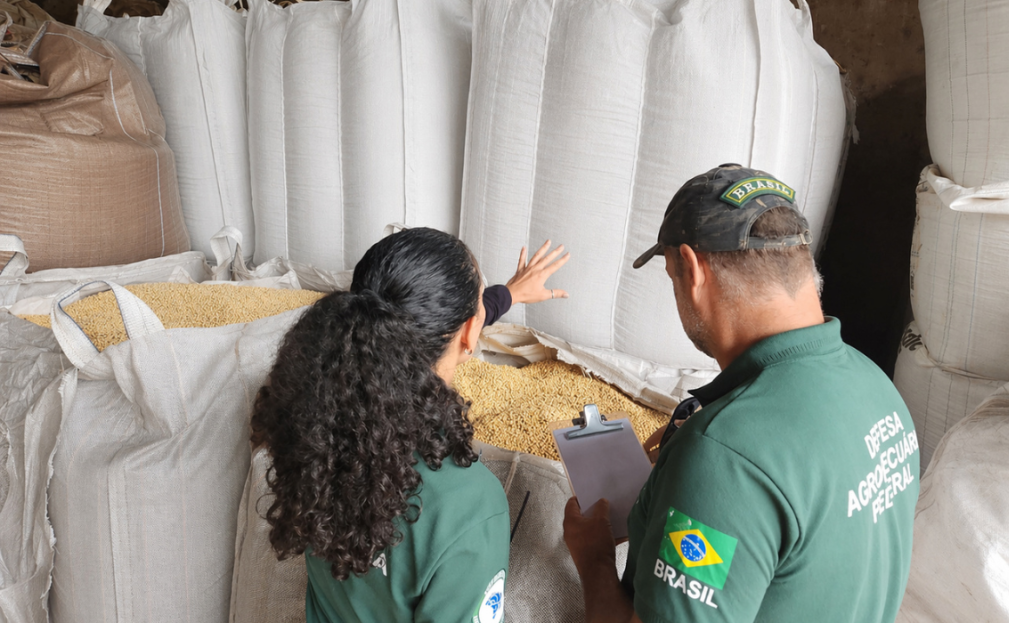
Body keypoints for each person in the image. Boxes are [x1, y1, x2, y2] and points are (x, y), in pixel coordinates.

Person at [563, 164, 920, 623]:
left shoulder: (723, 456)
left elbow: (743, 475)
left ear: (692, 270)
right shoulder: (878, 387)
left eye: (671, 276)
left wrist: (593, 558)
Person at [251, 228, 569, 623]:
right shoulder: (470, 505)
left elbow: (403, 324)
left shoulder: (310, 422)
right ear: (470, 333)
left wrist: (506, 294)